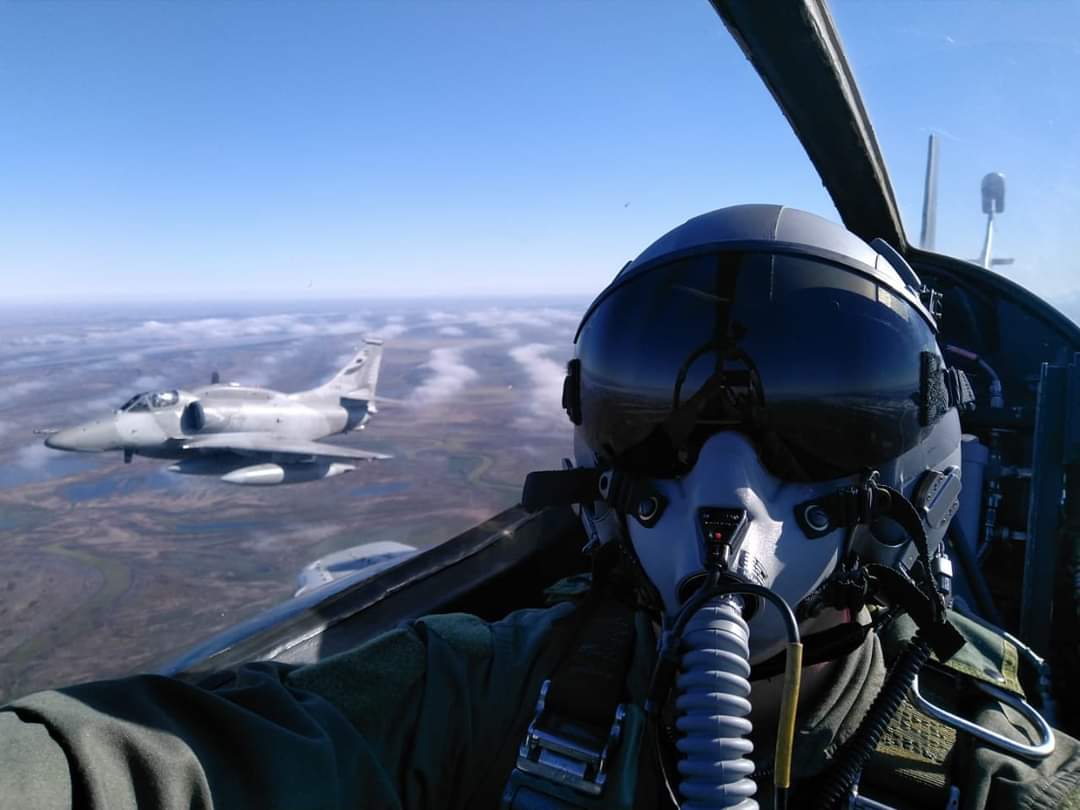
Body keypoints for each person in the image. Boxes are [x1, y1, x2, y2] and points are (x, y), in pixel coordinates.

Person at [1, 205, 1077, 810]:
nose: (723, 475)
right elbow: (169, 762)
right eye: (655, 407)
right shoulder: (492, 688)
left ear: (924, 458)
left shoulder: (1002, 770)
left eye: (822, 413)